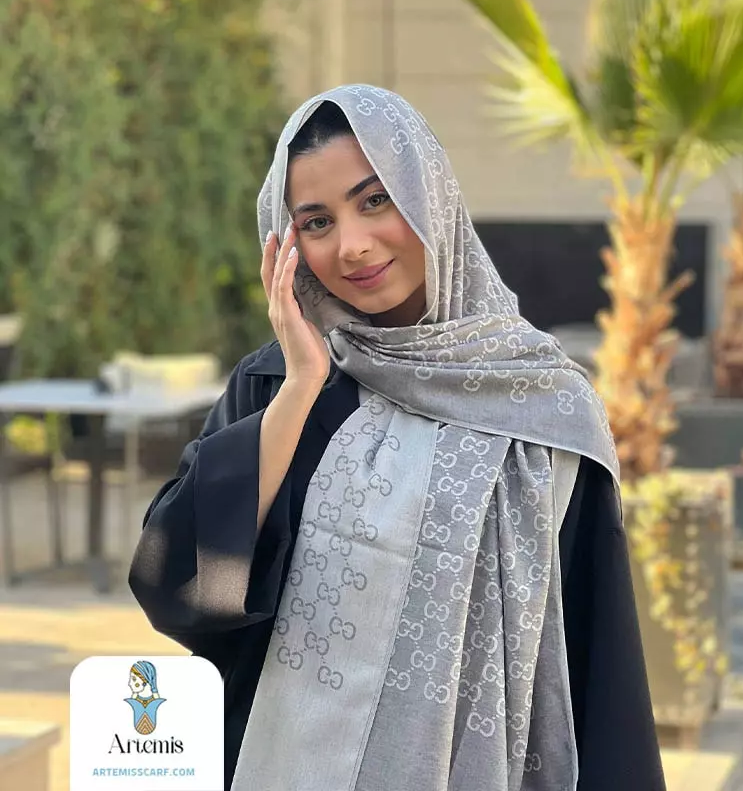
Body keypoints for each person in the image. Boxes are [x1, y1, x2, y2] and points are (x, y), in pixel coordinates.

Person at [129, 84, 666, 791]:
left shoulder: (542, 405)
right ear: (287, 244)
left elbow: (595, 658)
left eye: (375, 200)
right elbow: (178, 586)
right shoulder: (274, 383)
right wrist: (300, 387)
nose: (352, 245)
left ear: (428, 196)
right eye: (316, 222)